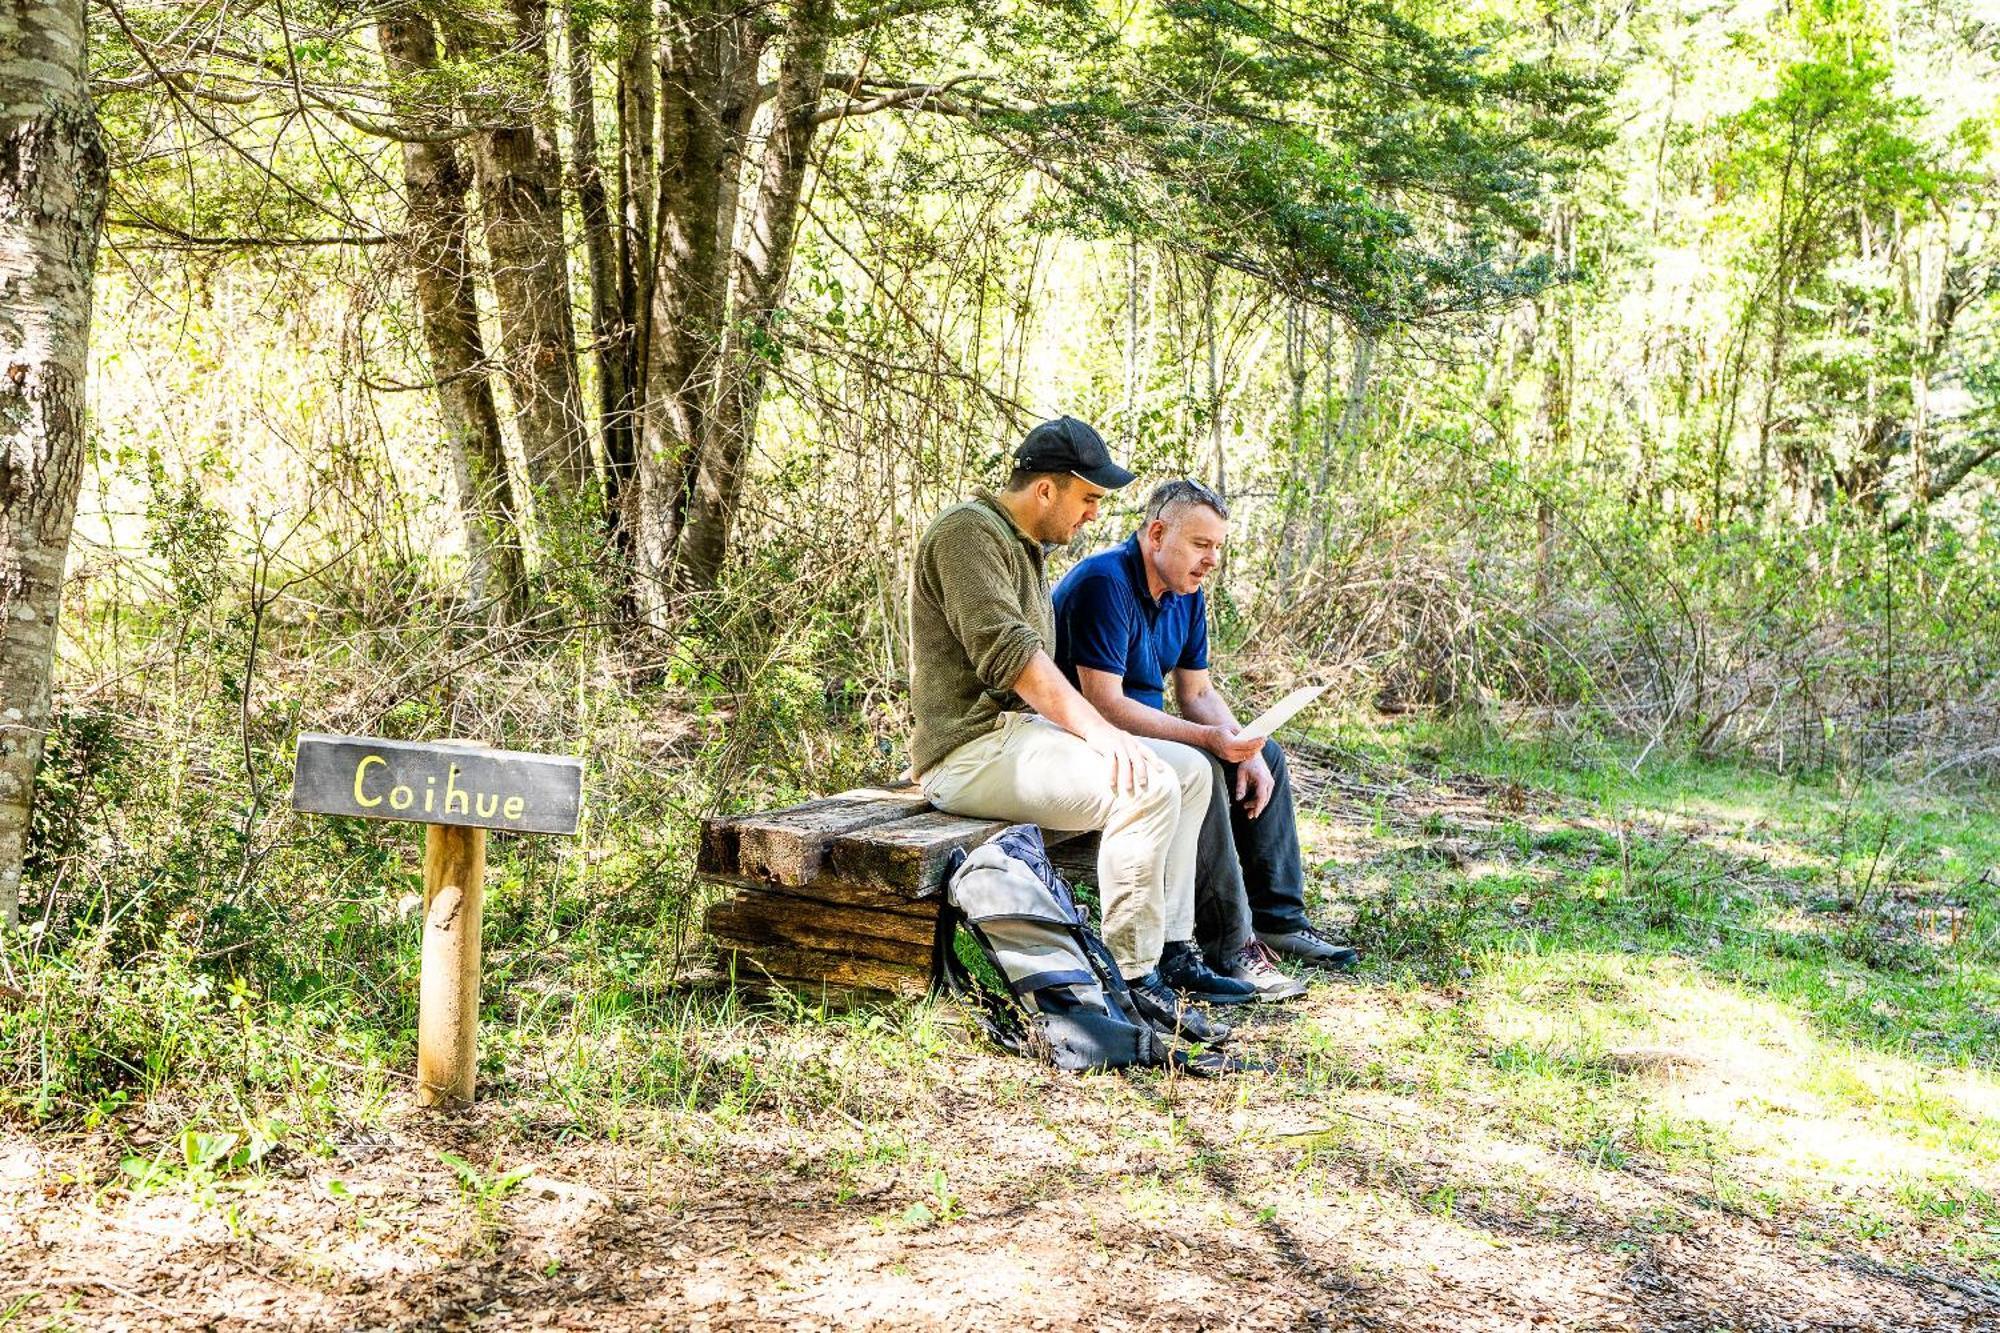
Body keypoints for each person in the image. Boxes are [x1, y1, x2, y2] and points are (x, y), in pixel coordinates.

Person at [909, 419, 1258, 1045]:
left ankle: (1173, 950)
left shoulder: (1021, 547)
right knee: (1143, 782)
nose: (1095, 514)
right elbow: (1013, 658)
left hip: (1017, 738)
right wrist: (1102, 734)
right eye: (1089, 497)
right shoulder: (966, 533)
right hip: (966, 753)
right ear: (1046, 490)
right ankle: (1133, 978)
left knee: (1188, 770)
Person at [1052, 478, 1360, 997]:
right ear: (1156, 534)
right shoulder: (1103, 582)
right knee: (1199, 765)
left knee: (1266, 758)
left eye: (1217, 547)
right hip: (1086, 742)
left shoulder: (1186, 593)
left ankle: (1278, 921)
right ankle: (1230, 946)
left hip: (1140, 737)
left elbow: (1196, 692)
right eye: (1200, 544)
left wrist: (1244, 742)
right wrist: (1209, 741)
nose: (1211, 559)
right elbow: (1104, 705)